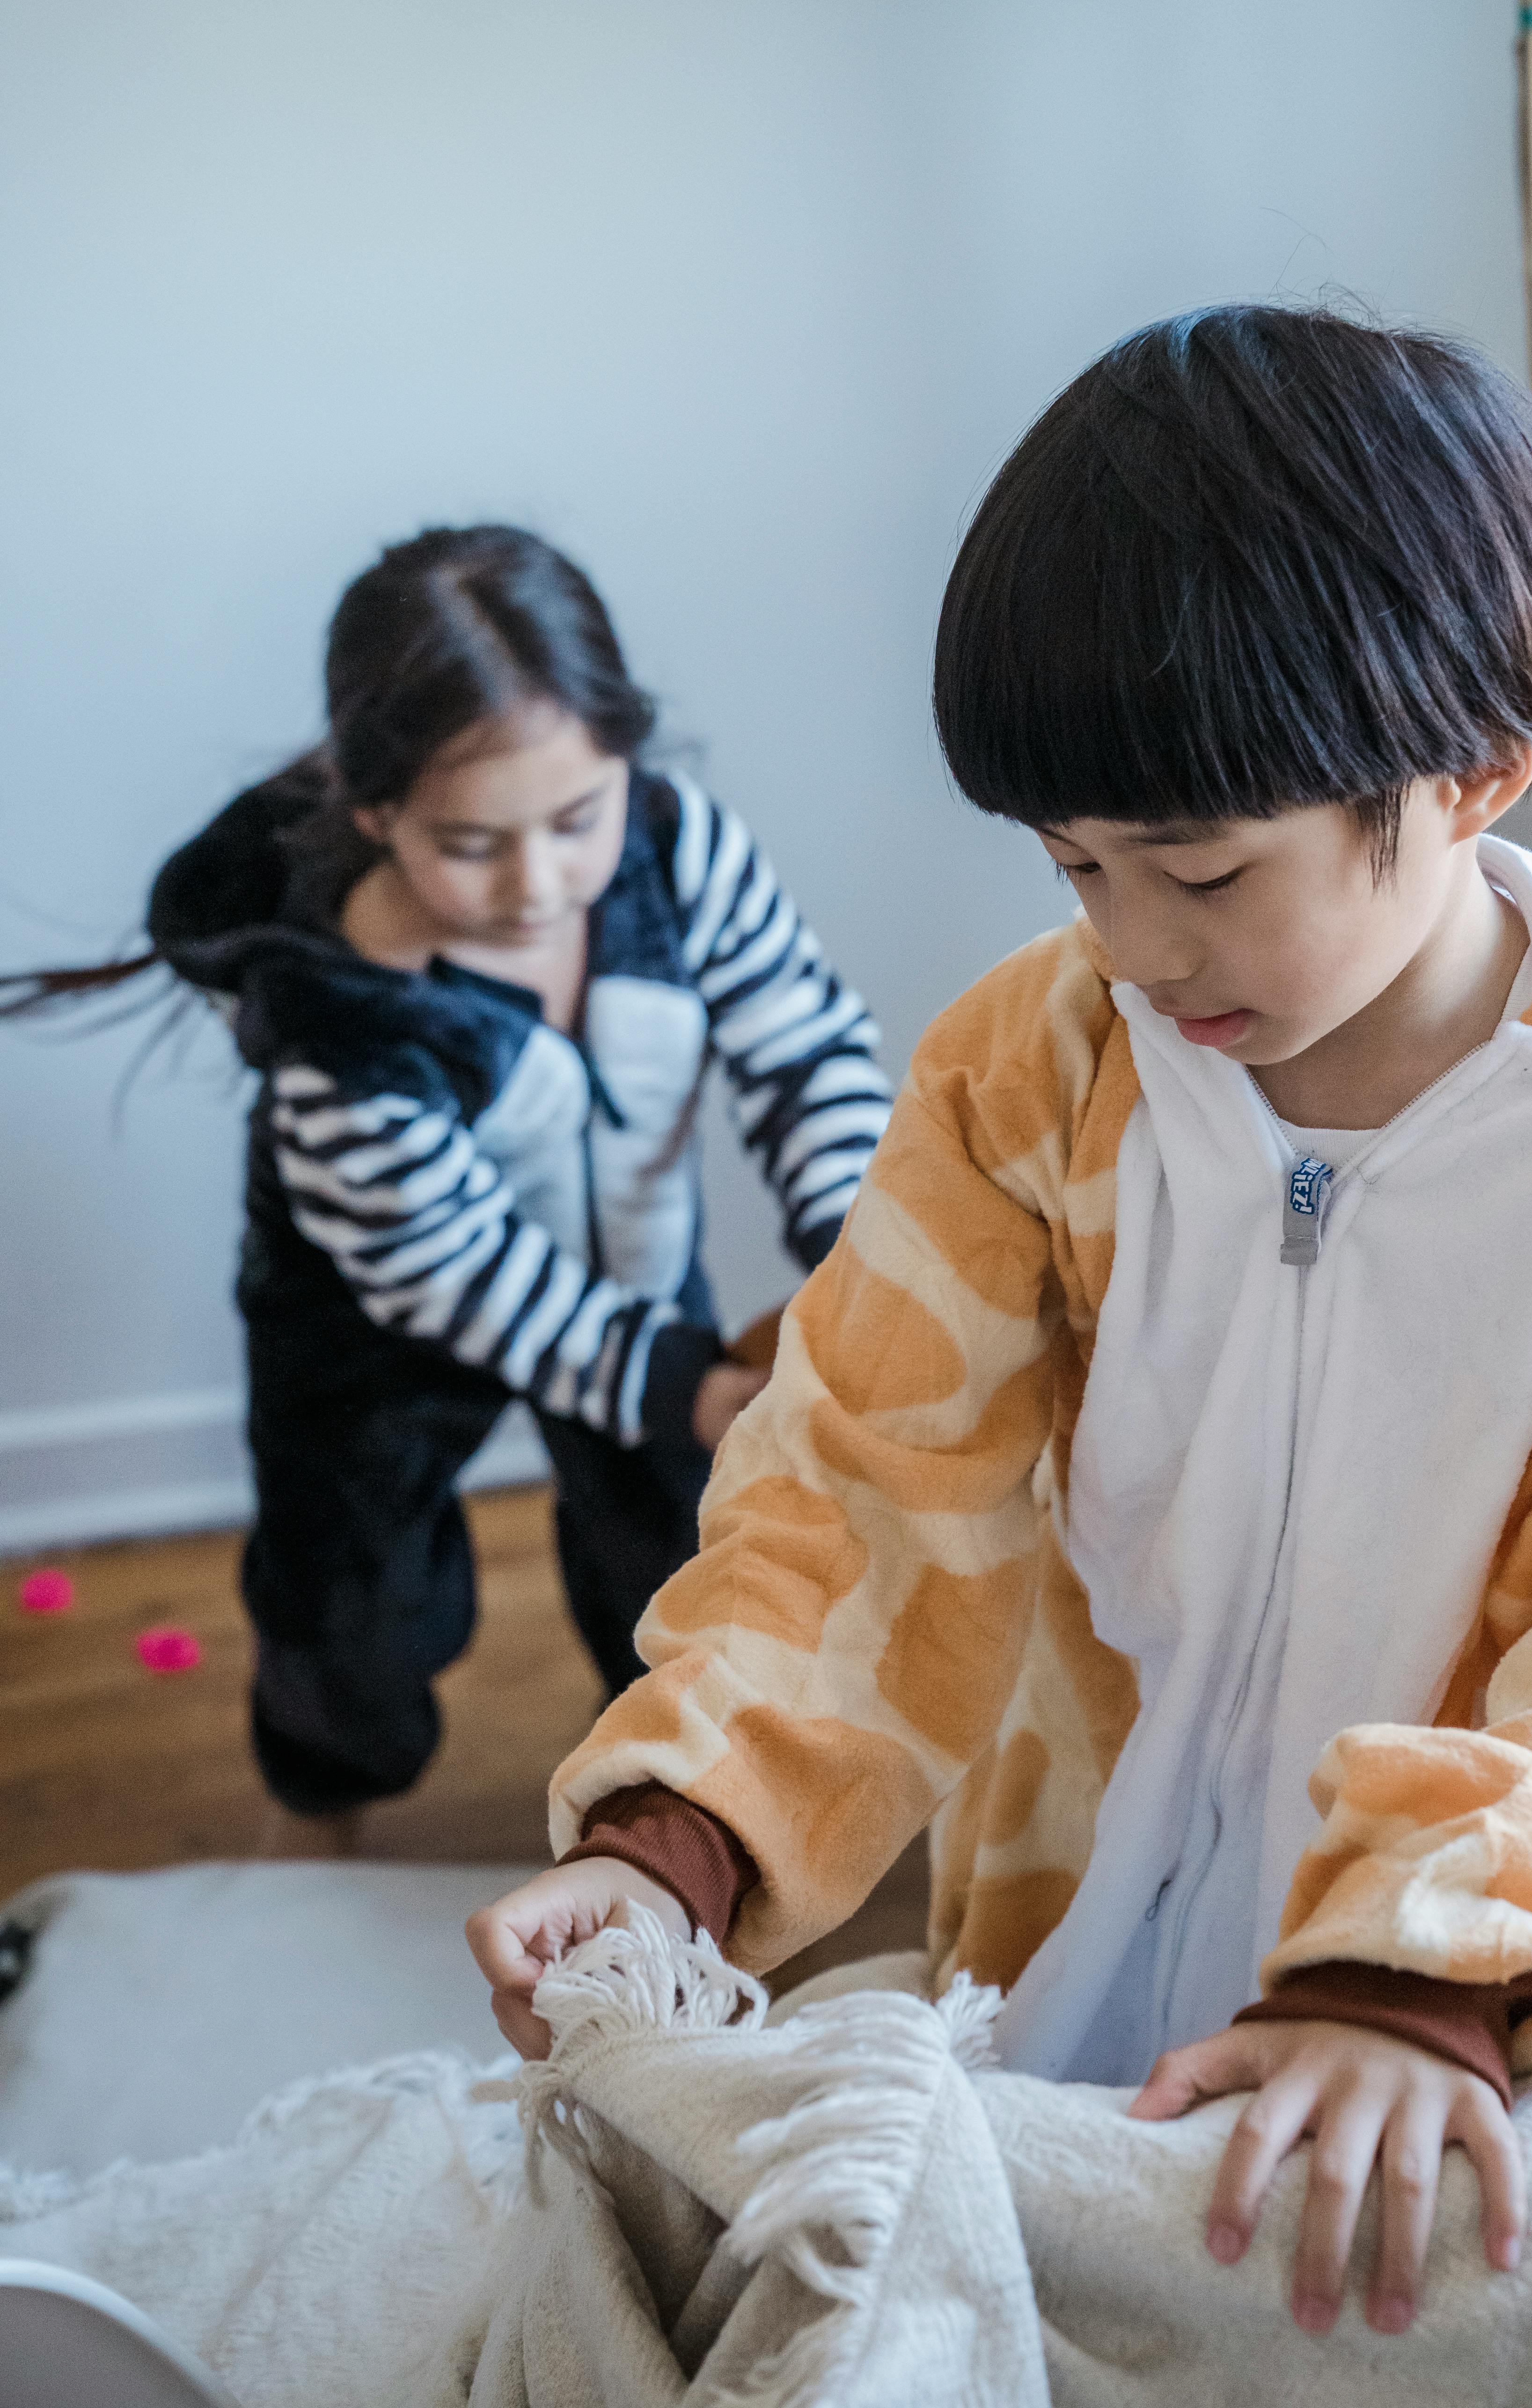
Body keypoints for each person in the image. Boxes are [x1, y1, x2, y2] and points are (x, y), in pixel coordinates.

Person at [464, 311, 1532, 2336]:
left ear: (1471, 775)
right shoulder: (1031, 1065)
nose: (1128, 942)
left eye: (1196, 869)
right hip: (1062, 1967)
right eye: (1074, 864)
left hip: (1460, 2001)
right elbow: (859, 1486)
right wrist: (682, 1842)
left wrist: (1415, 1972)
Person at [3, 524, 894, 1847]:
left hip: (630, 1272)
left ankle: (680, 1817)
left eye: (576, 821)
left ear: (625, 763)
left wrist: (854, 1239)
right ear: (376, 811)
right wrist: (684, 1383)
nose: (538, 886)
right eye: (473, 843)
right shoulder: (343, 1022)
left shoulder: (679, 850)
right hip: (376, 1329)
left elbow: (805, 1048)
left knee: (688, 1566)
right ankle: (326, 1813)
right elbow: (460, 1277)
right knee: (351, 1610)